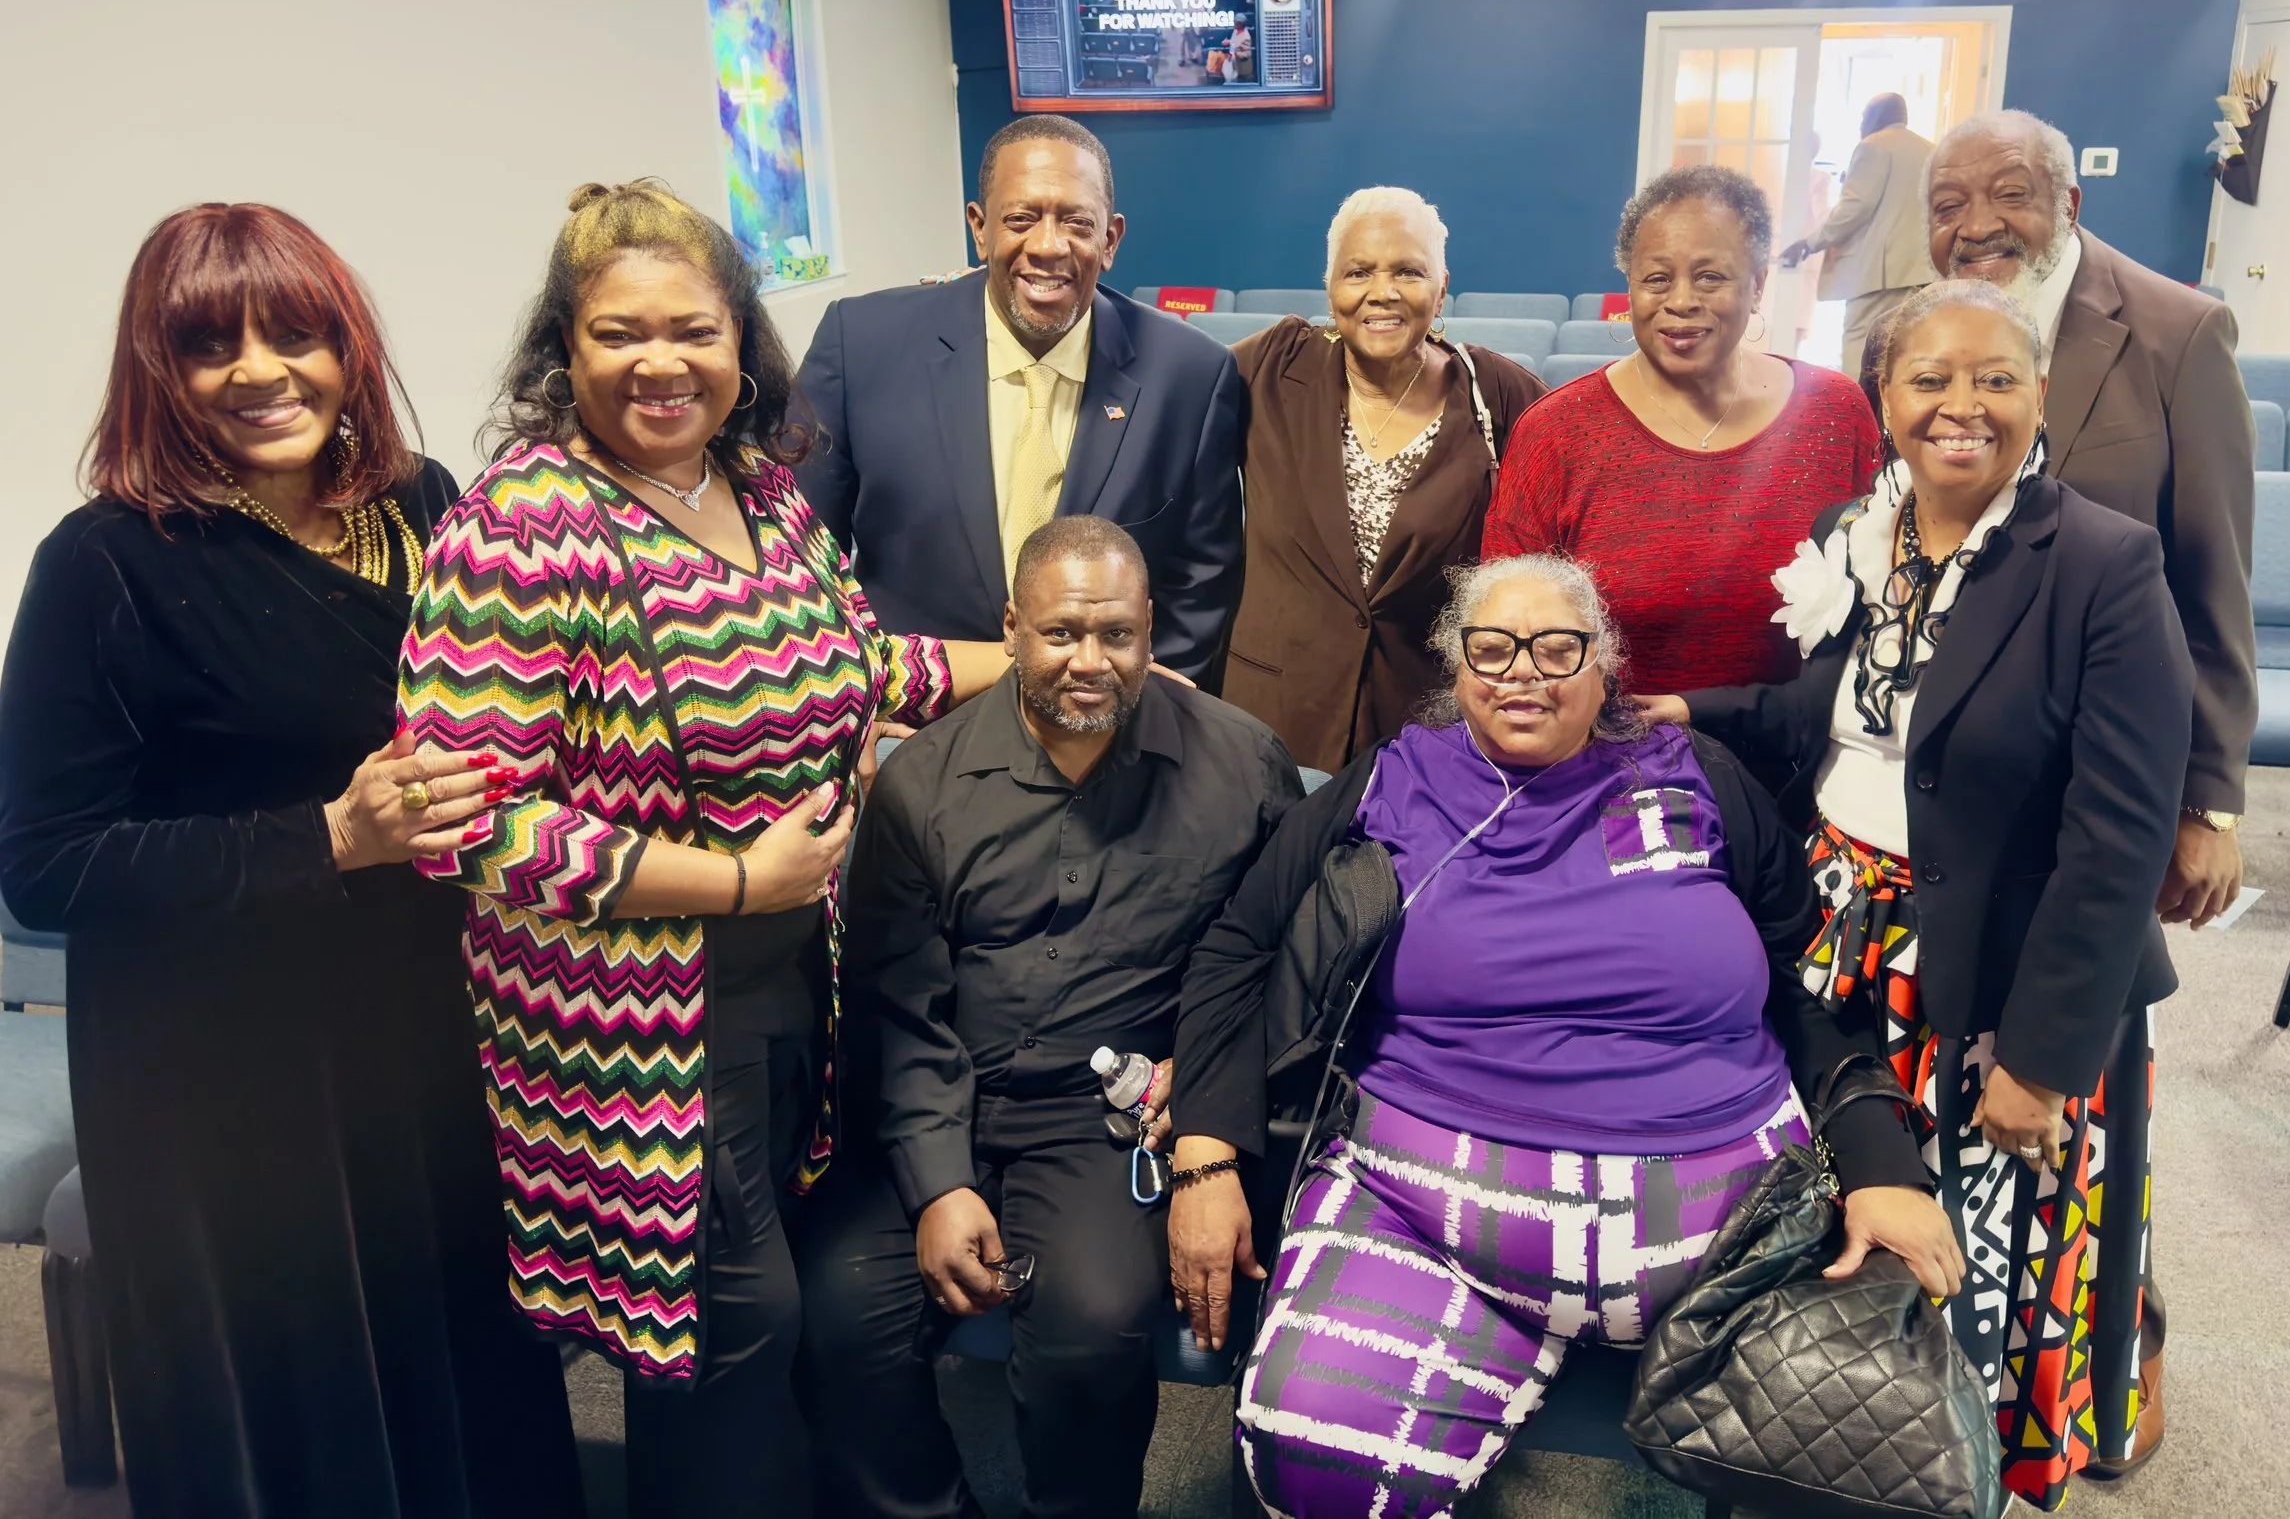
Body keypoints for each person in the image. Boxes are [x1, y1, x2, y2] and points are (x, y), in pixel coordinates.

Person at [395, 182, 1007, 1518]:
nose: (662, 362)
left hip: (793, 977)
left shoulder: (763, 490)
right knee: (726, 1333)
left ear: (743, 341)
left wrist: (1038, 657)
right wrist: (735, 879)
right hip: (627, 1024)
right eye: (621, 333)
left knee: (763, 1326)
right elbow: (470, 820)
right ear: (567, 348)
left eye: (694, 328)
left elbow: (859, 663)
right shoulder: (519, 526)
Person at [1165, 553, 1959, 1519]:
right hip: (1429, 1218)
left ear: (1605, 663)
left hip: (1734, 1238)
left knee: (1870, 1457)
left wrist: (1884, 1163)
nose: (1523, 672)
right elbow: (1237, 947)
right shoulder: (1394, 779)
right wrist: (1205, 1153)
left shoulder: (1696, 774)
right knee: (1313, 1450)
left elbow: (1814, 975)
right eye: (1491, 648)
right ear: (1457, 669)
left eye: (1557, 647)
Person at [0, 205, 580, 1518]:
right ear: (161, 371)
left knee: (458, 1349)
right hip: (224, 1076)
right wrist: (325, 835)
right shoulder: (104, 565)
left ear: (347, 346)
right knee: (298, 1388)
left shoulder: (421, 505)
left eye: (296, 332)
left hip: (421, 1020)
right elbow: (44, 863)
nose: (262, 368)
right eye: (212, 344)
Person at [1658, 278, 2193, 1509]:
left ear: (2038, 396)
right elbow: (1831, 722)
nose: (1962, 406)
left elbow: (2116, 840)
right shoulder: (1868, 525)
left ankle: (1949, 1470)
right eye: (1928, 380)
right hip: (1843, 931)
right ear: (1882, 400)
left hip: (2005, 971)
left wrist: (2045, 1062)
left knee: (1975, 1254)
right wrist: (1696, 711)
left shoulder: (2103, 564)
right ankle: (1821, 1449)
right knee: (1849, 1215)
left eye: (1995, 379)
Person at [809, 516, 1303, 1519]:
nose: (1089, 661)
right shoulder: (924, 781)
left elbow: (1273, 969)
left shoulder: (1242, 766)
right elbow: (897, 1003)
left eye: (1116, 635)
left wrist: (1200, 1094)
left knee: (1094, 1323)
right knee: (832, 1318)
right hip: (940, 1093)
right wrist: (939, 1183)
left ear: (1151, 631)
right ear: (1012, 630)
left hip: (1104, 1119)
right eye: (1061, 632)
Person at [1924, 108, 2255, 1477]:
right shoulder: (1917, 326)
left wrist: (2212, 792)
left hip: (2104, 780)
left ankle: (2113, 1349)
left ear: (2067, 196)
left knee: (2080, 1076)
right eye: (1951, 196)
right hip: (1962, 782)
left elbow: (2214, 569)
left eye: (2011, 191)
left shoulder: (2174, 329)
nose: (1980, 218)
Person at [798, 116, 1246, 679]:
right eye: (1021, 219)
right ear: (979, 228)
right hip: (912, 722)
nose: (1049, 246)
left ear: (1110, 240)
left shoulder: (1190, 375)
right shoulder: (861, 344)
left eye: (1077, 223)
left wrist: (1149, 718)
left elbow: (1200, 587)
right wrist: (848, 701)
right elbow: (804, 563)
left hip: (1110, 729)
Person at [1483, 164, 1881, 711]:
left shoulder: (1835, 413)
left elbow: (1880, 597)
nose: (1682, 301)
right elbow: (1503, 628)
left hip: (1793, 756)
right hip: (1609, 763)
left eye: (1711, 276)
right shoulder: (1556, 431)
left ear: (1758, 283)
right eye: (1657, 278)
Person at [1223, 187, 1545, 771]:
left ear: (1442, 285)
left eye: (1408, 271)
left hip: (1425, 728)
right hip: (1269, 720)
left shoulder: (1499, 394)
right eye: (1358, 272)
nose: (1383, 292)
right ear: (1330, 286)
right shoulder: (1268, 368)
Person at [1779, 92, 1937, 379]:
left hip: (1876, 272)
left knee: (1860, 351)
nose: (1862, 124)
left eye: (1864, 116)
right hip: (1920, 271)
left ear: (1876, 116)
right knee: (1902, 353)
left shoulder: (1873, 147)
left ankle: (1856, 415)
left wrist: (1809, 243)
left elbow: (1855, 208)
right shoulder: (1931, 151)